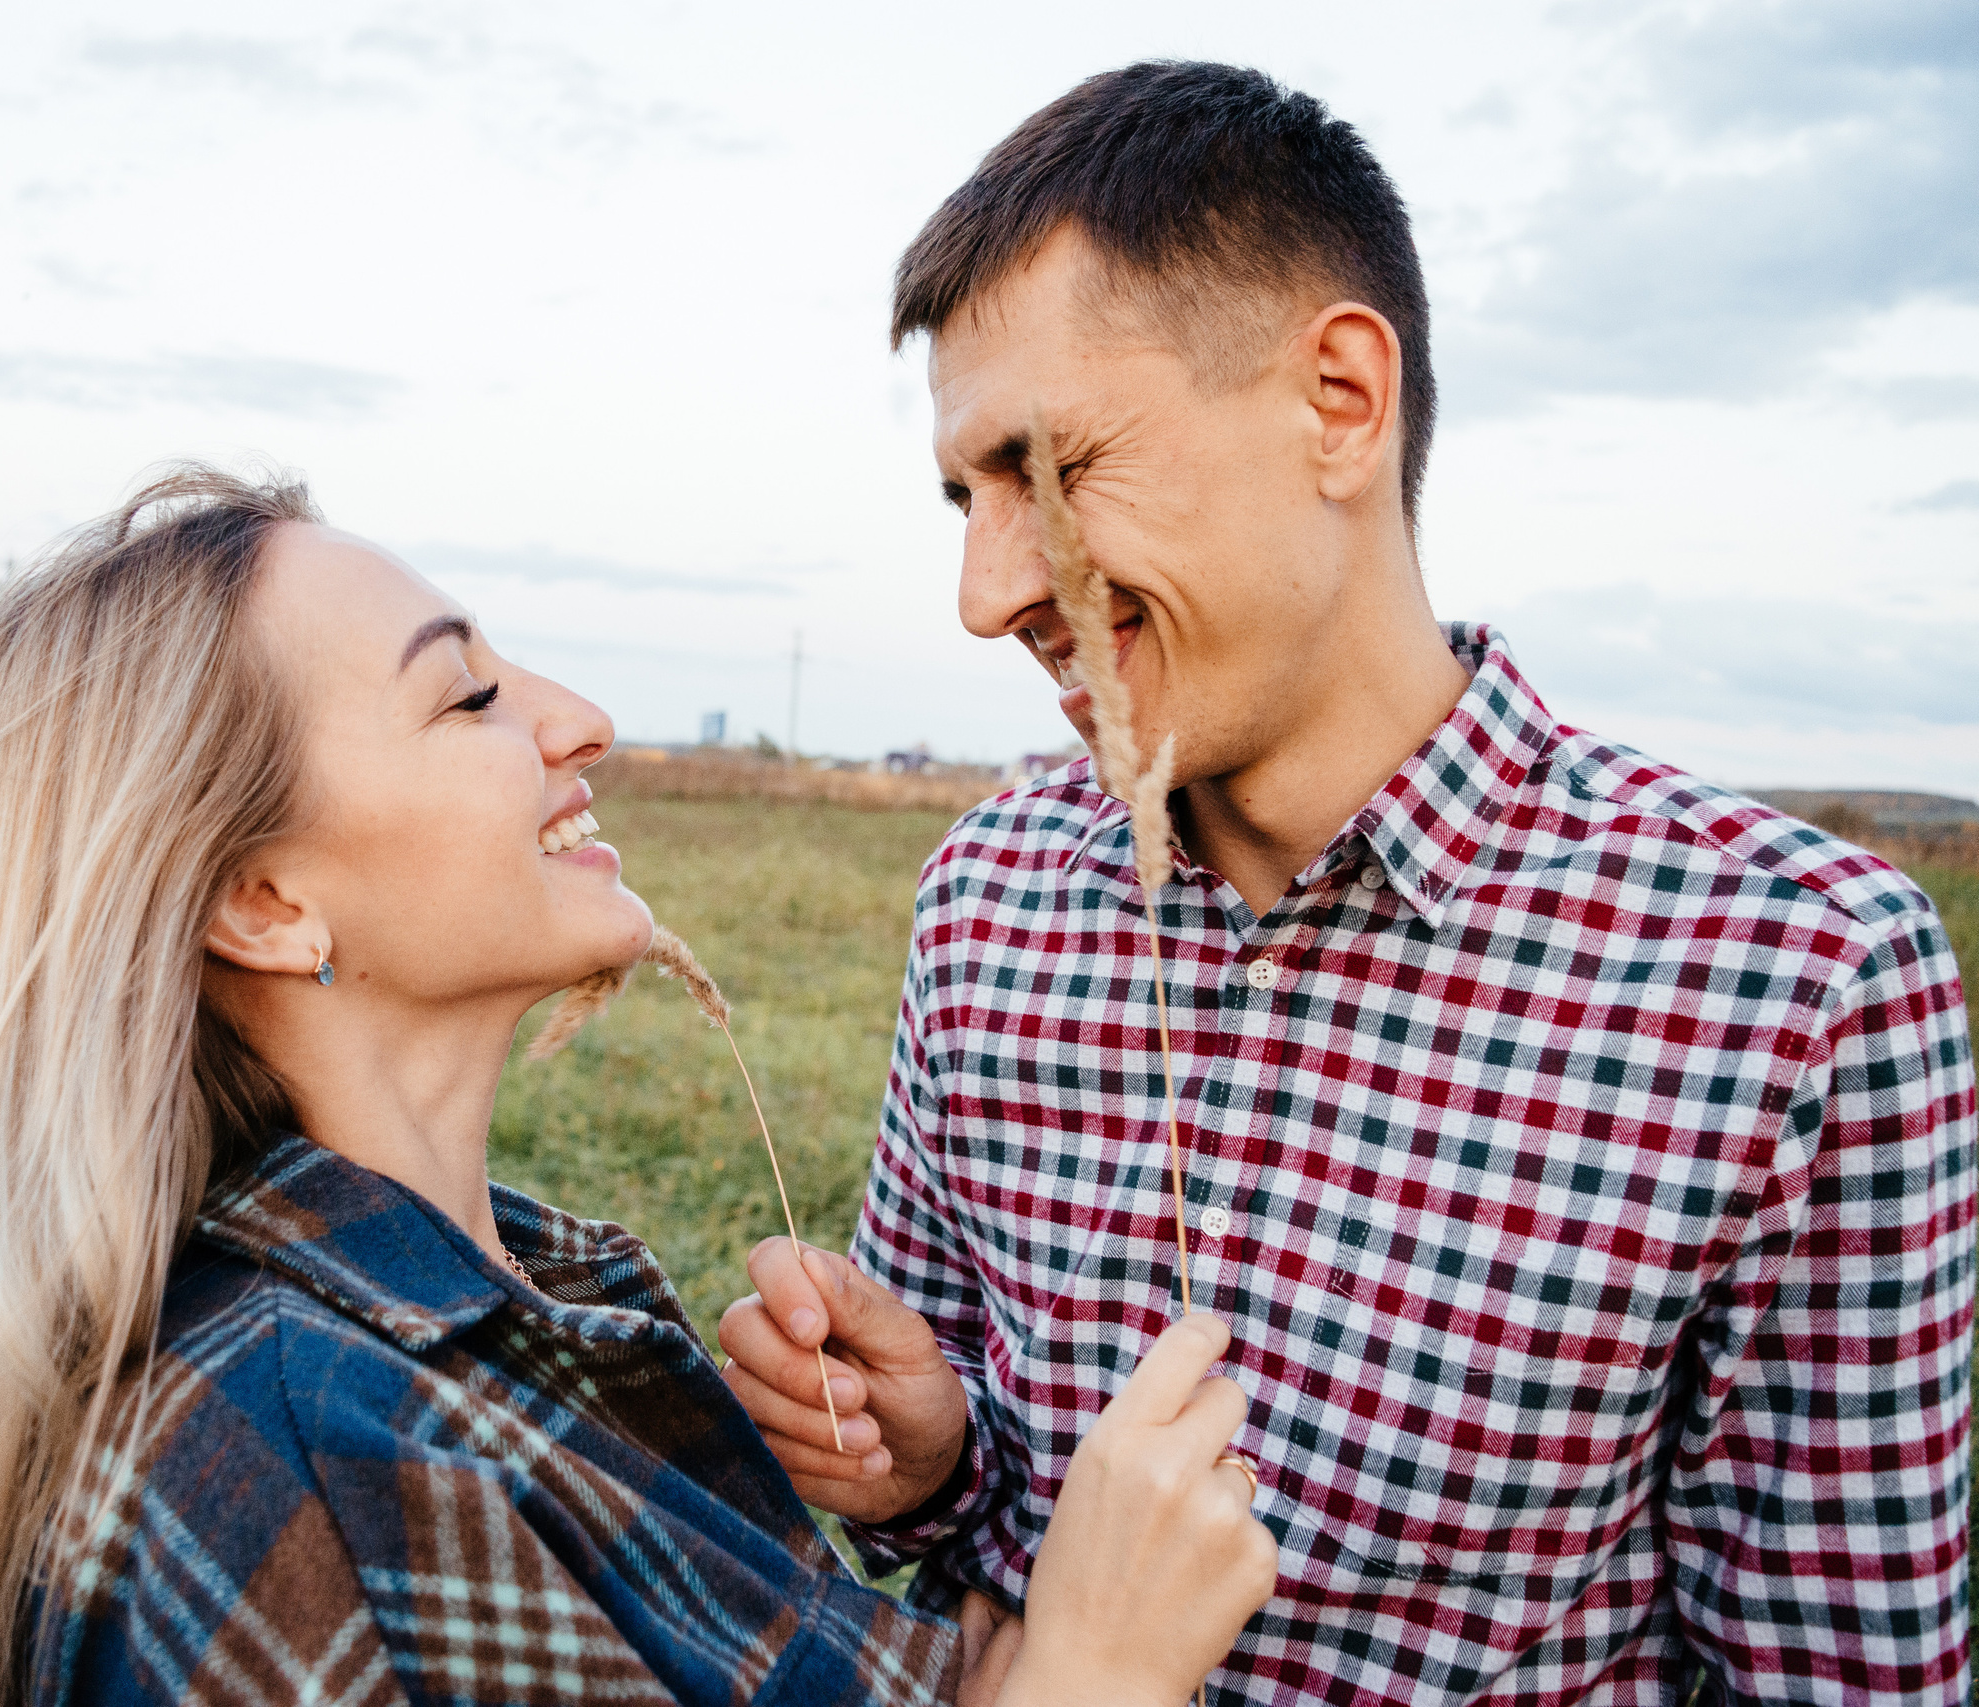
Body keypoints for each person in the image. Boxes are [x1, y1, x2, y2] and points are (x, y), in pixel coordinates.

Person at [718, 60, 1976, 1705]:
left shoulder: (1797, 982)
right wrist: (929, 1462)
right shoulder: (986, 900)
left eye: (1056, 469)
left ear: (1339, 401)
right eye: (968, 496)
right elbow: (967, 1547)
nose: (986, 591)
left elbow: (1839, 1679)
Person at [0, 466, 1276, 1707]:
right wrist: (1095, 1675)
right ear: (264, 899)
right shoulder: (294, 1470)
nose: (581, 721)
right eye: (467, 694)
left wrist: (945, 1482)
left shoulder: (499, 1302)